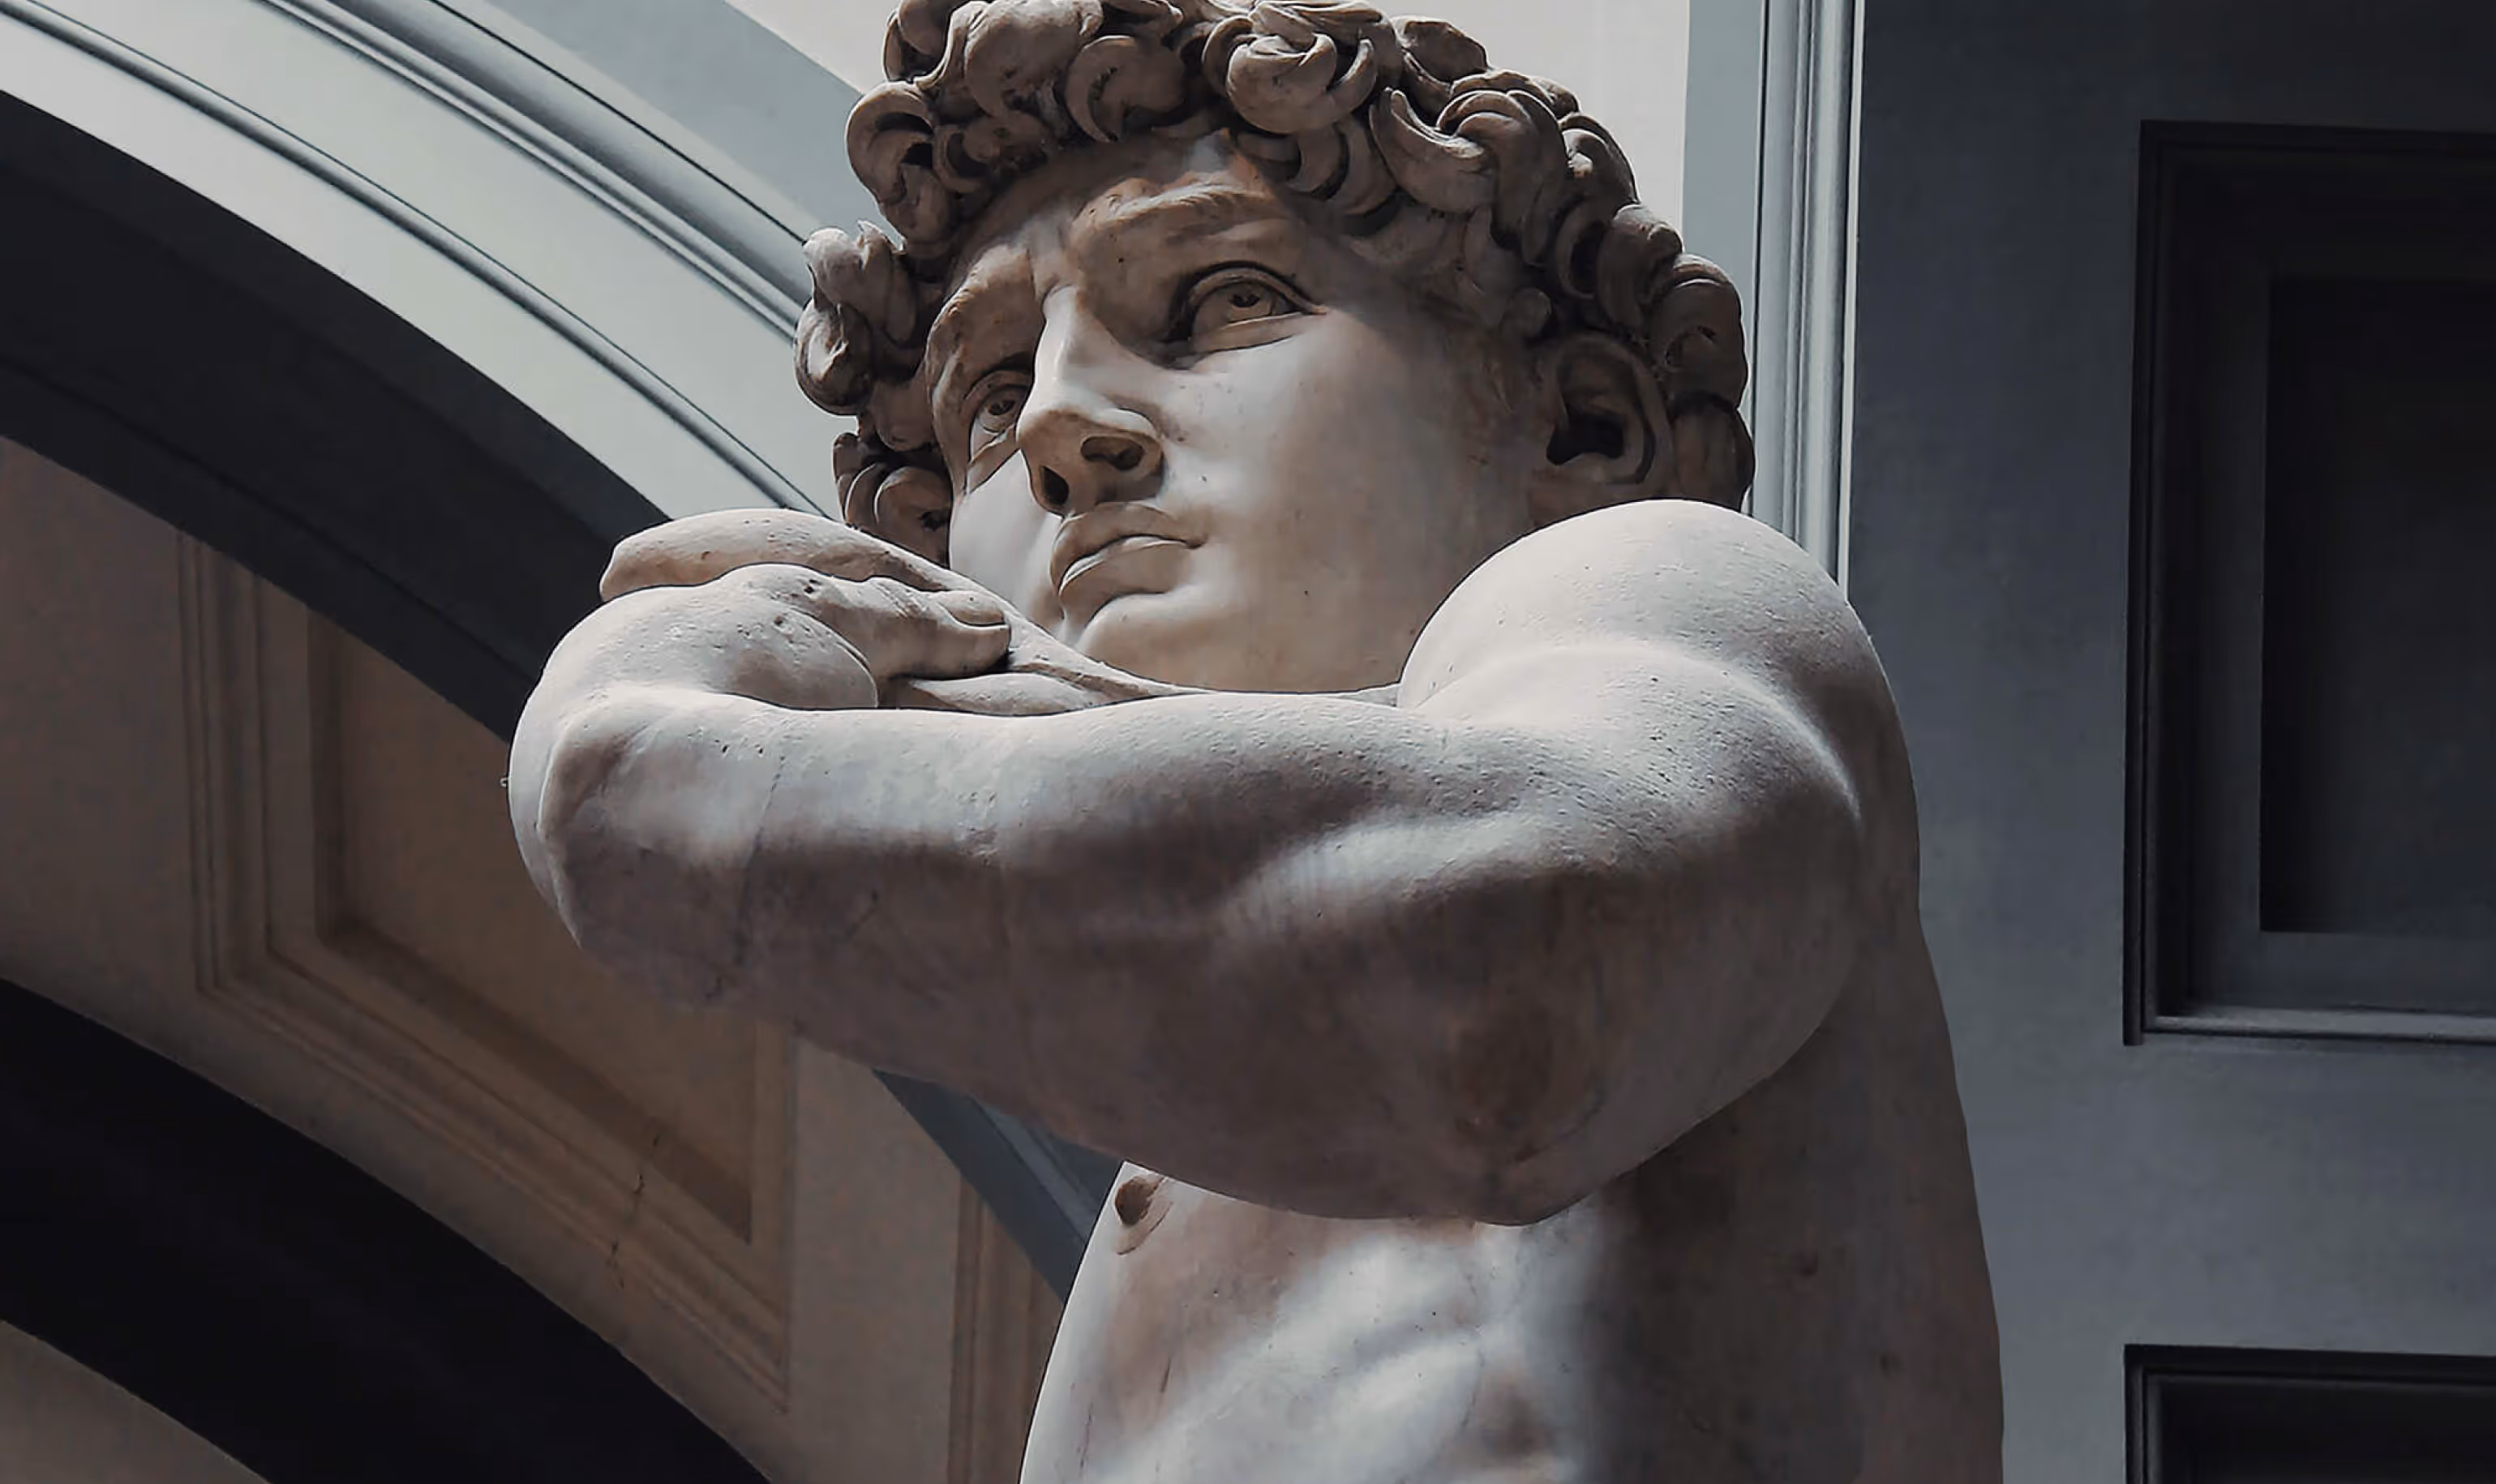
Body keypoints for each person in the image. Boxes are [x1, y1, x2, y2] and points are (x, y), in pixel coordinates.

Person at [508, 2, 2003, 1478]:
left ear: (1580, 431)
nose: (1056, 427)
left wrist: (686, 787)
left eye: (1220, 301)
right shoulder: (1164, 1183)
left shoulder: (1663, 599)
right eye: (987, 395)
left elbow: (1507, 969)